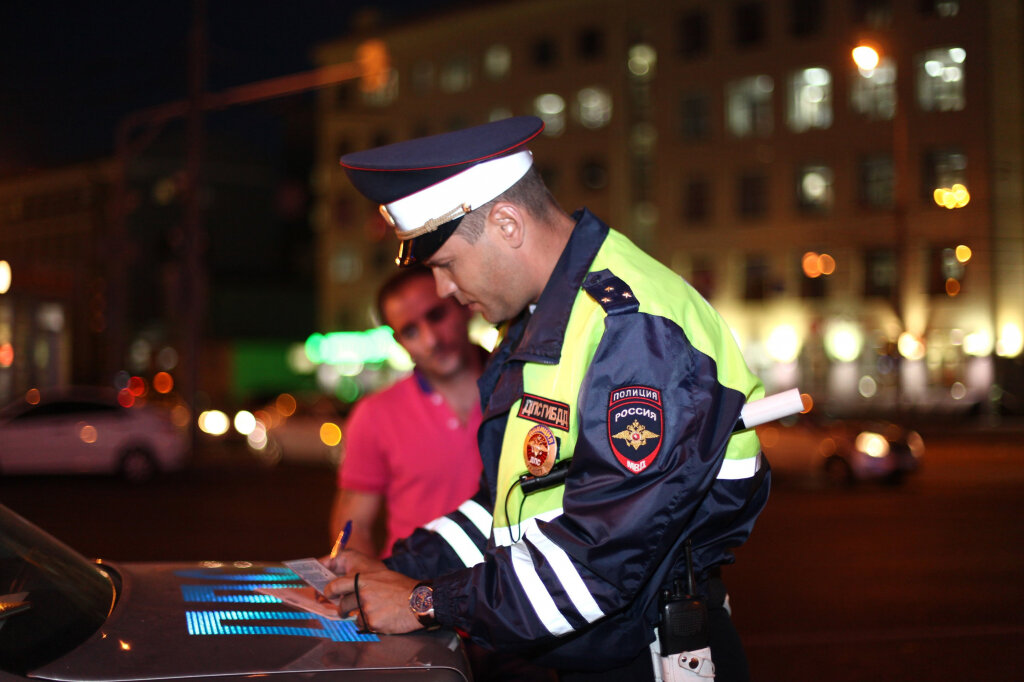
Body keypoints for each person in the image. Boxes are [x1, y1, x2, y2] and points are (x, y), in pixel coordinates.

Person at [323, 116, 769, 682]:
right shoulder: (541, 320)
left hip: (653, 657)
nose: (444, 290)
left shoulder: (629, 328)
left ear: (507, 223)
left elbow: (597, 565)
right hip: (599, 648)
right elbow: (511, 504)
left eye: (446, 264)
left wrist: (424, 601)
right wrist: (393, 569)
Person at [329, 265, 484, 557]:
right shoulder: (375, 415)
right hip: (411, 583)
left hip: (508, 582)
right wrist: (362, 574)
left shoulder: (523, 388)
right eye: (410, 331)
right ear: (399, 342)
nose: (431, 340)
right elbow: (353, 526)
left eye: (436, 315)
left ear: (464, 305)